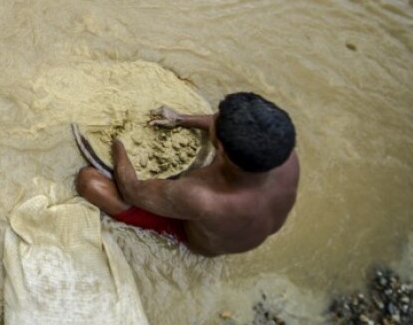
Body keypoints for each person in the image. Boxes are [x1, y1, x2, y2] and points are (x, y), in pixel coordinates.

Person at [75, 92, 299, 256]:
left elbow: (131, 190)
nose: (213, 117)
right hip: (238, 228)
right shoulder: (284, 155)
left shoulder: (201, 197)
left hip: (196, 238)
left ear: (220, 149)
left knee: (90, 183)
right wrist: (180, 119)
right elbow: (222, 125)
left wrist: (119, 145)